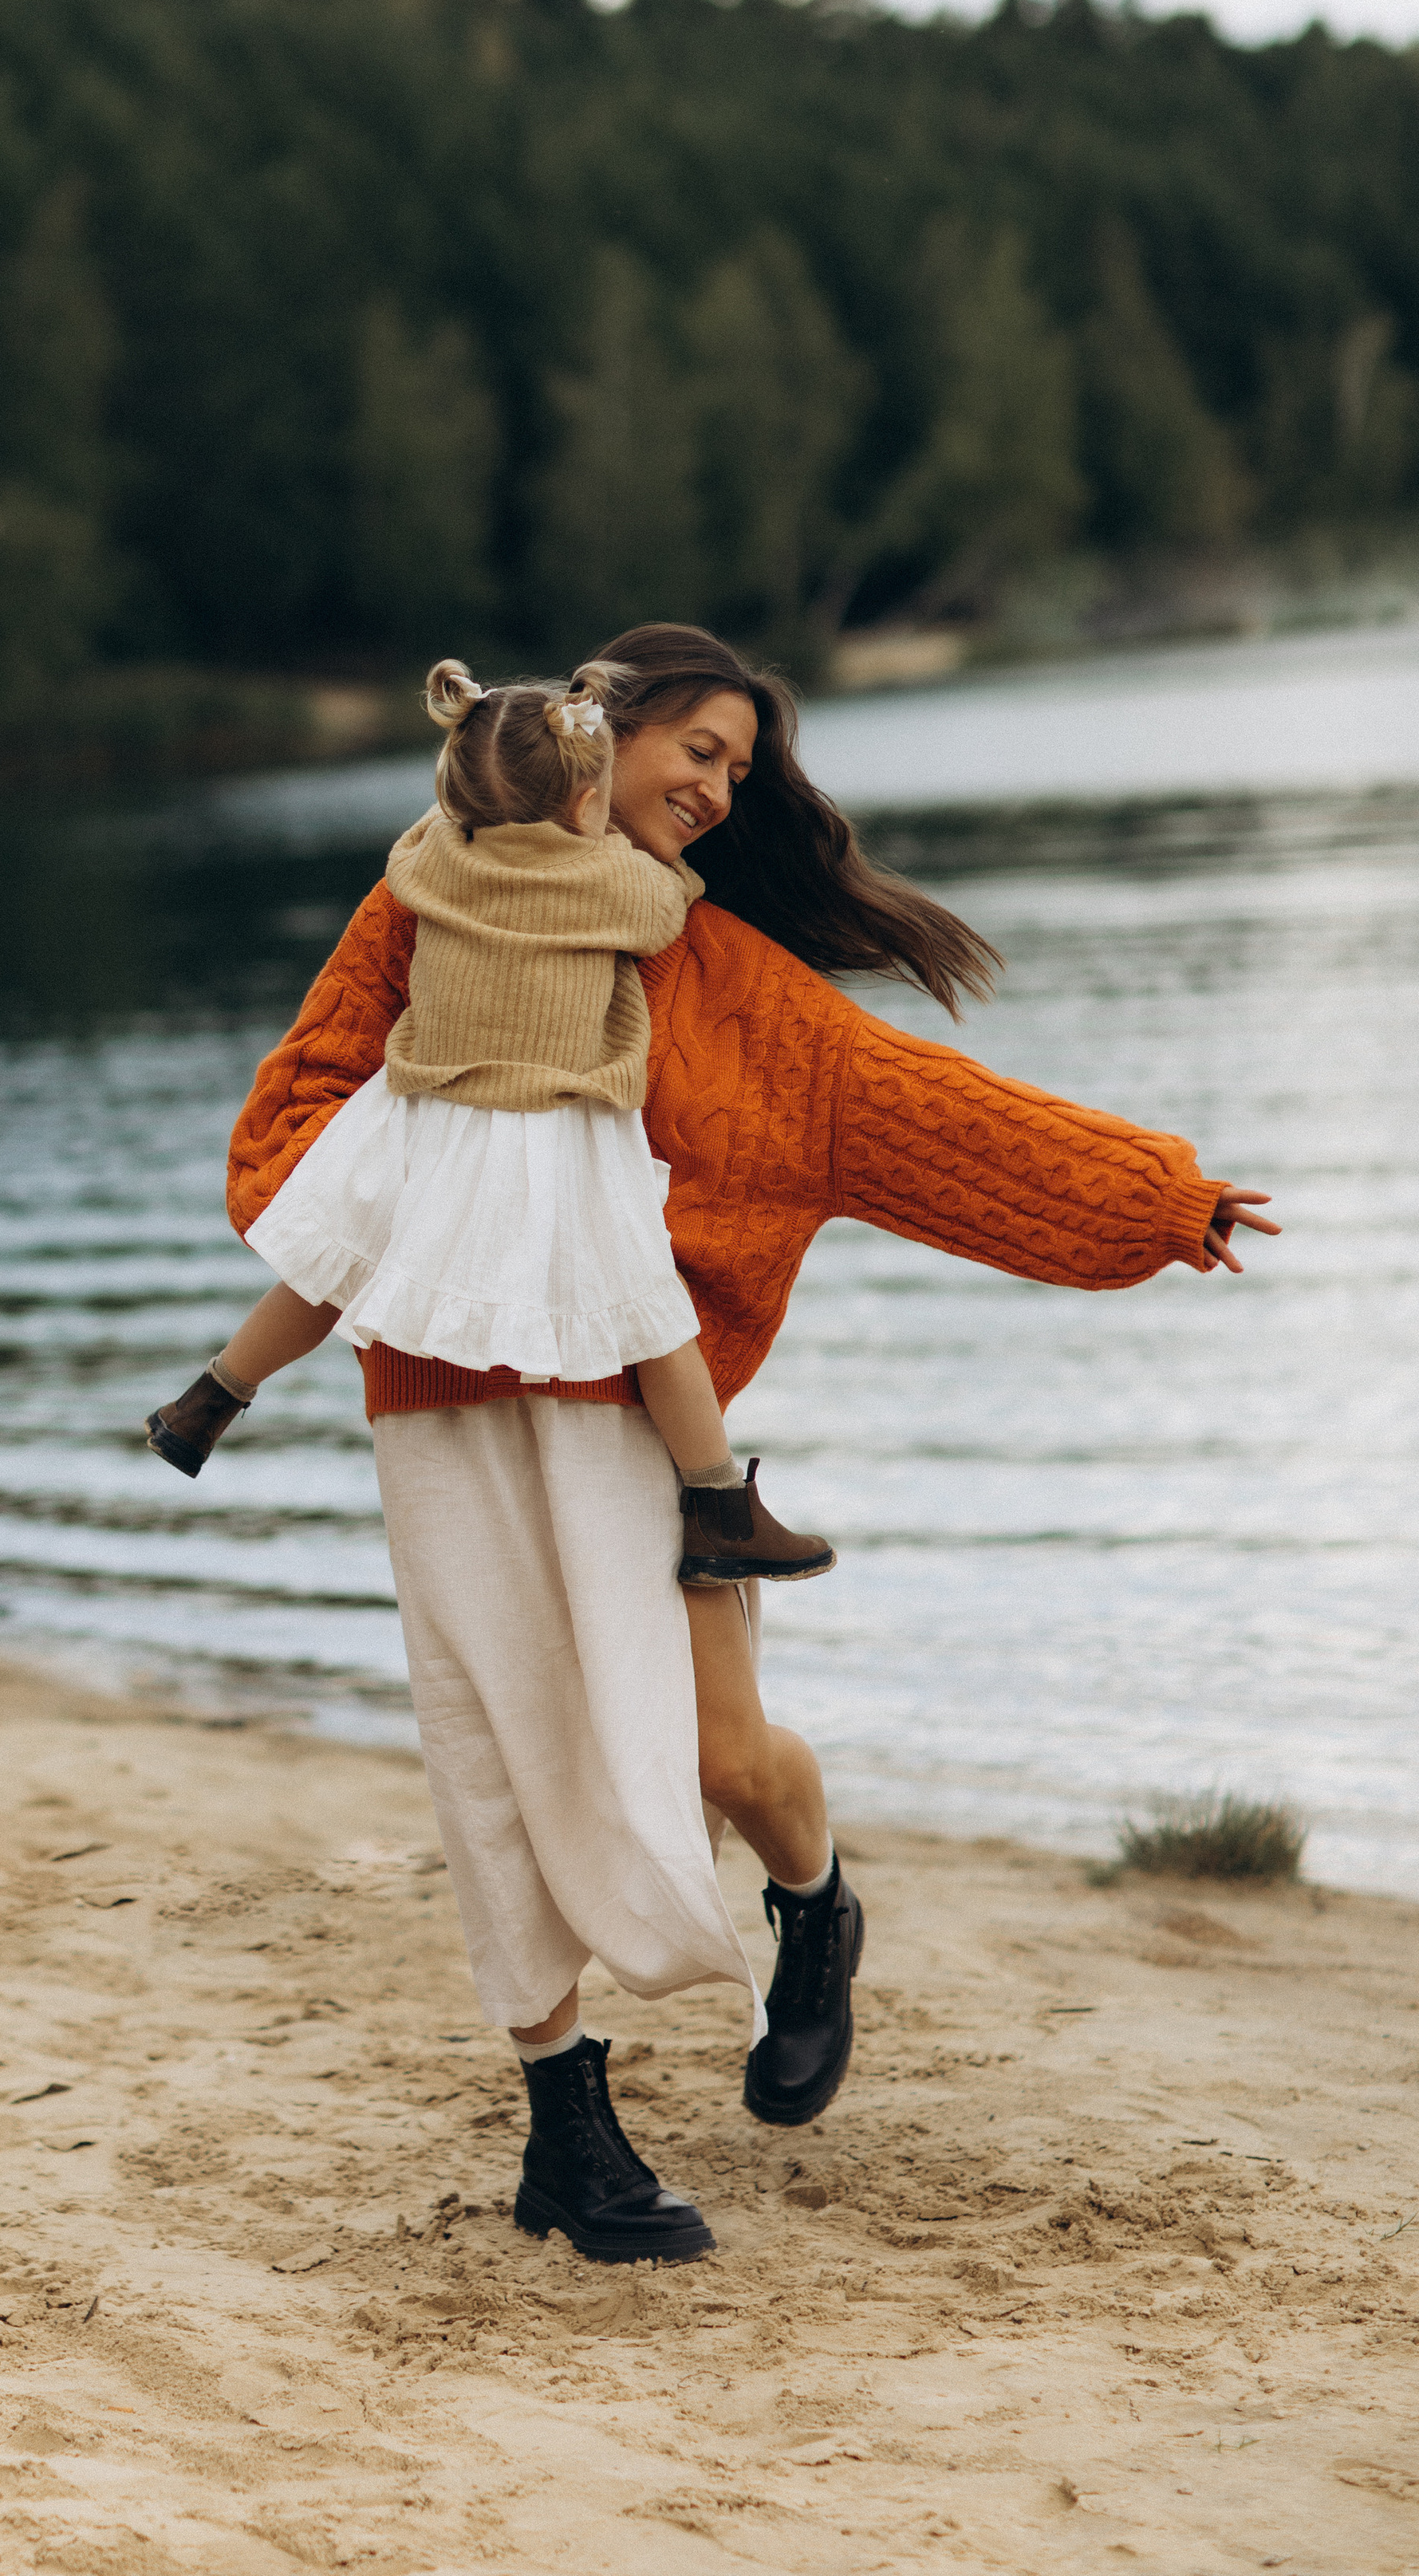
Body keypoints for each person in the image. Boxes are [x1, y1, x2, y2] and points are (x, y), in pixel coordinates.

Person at [223, 623, 1279, 2267]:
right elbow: (290, 1115)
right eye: (693, 751)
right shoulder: (421, 901)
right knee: (490, 1766)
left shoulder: (734, 988)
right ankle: (564, 2132)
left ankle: (814, 1900)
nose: (712, 789)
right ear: (598, 731)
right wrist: (432, 1165)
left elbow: (930, 1115)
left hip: (651, 1433)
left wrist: (1158, 1199)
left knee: (721, 1764)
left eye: (736, 767)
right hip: (436, 1408)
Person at [144, 656, 833, 1585]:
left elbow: (426, 843)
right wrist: (620, 853)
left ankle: (209, 1399)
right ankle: (717, 1504)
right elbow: (673, 906)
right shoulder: (611, 886)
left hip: (419, 1110)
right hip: (549, 1123)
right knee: (655, 1321)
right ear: (588, 800)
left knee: (331, 1268)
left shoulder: (431, 861)